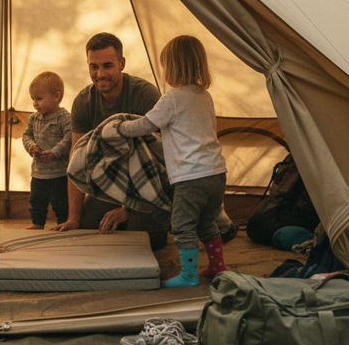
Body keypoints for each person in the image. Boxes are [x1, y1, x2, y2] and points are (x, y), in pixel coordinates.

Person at [117, 35, 226, 287]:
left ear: (174, 67)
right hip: (216, 173)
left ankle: (188, 275)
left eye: (165, 65)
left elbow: (147, 124)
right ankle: (218, 267)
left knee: (182, 225)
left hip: (191, 177)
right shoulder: (204, 96)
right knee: (207, 222)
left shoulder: (173, 98)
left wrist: (122, 127)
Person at [50, 32, 169, 250]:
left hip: (148, 187)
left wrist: (127, 209)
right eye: (93, 67)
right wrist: (73, 218)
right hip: (111, 183)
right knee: (85, 228)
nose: (100, 74)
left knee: (148, 241)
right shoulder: (84, 102)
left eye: (107, 66)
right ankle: (117, 220)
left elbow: (163, 161)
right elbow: (76, 161)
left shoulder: (145, 95)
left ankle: (131, 219)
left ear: (121, 64)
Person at [21, 71, 72, 230]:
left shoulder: (64, 117)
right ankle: (37, 223)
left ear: (56, 97)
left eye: (39, 99)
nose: (35, 103)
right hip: (39, 172)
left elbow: (70, 136)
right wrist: (31, 146)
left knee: (61, 201)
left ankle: (63, 222)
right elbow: (26, 135)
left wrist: (55, 152)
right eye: (33, 99)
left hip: (59, 173)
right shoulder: (34, 118)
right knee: (37, 200)